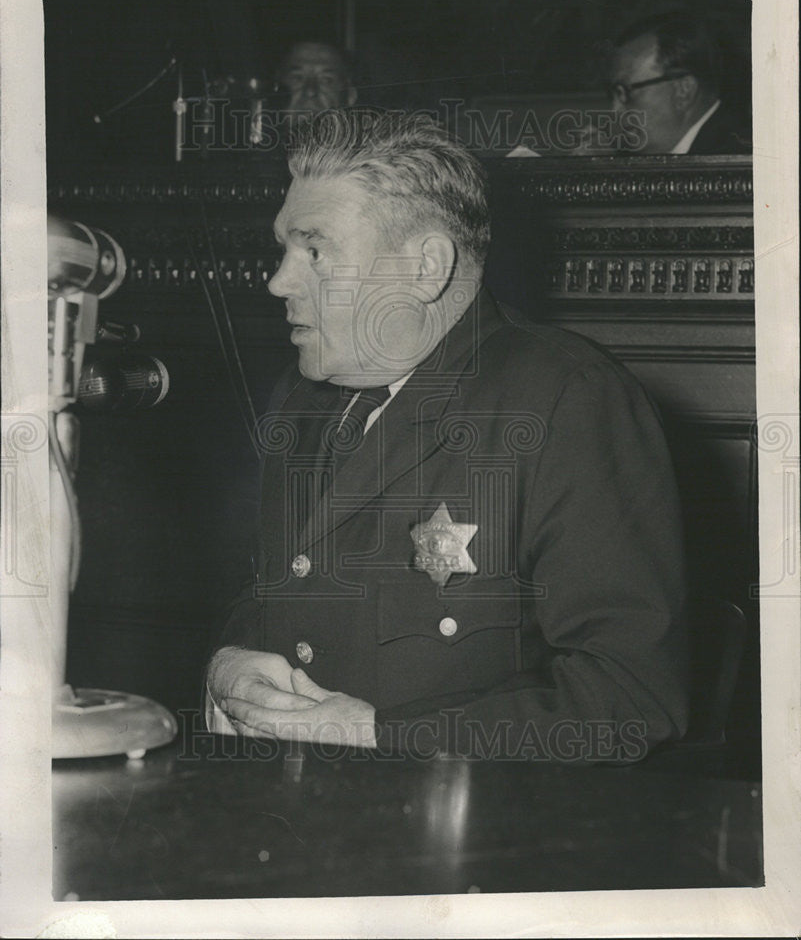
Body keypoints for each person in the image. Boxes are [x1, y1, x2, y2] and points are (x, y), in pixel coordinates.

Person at [205, 110, 689, 760]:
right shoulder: (302, 400)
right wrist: (229, 661)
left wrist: (377, 737)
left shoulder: (564, 401)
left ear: (426, 267)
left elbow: (631, 699)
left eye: (315, 250)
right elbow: (272, 591)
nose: (279, 281)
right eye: (284, 248)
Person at [601, 12, 752, 155]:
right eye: (613, 94)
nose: (615, 110)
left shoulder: (739, 157)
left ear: (683, 90)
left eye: (625, 92)